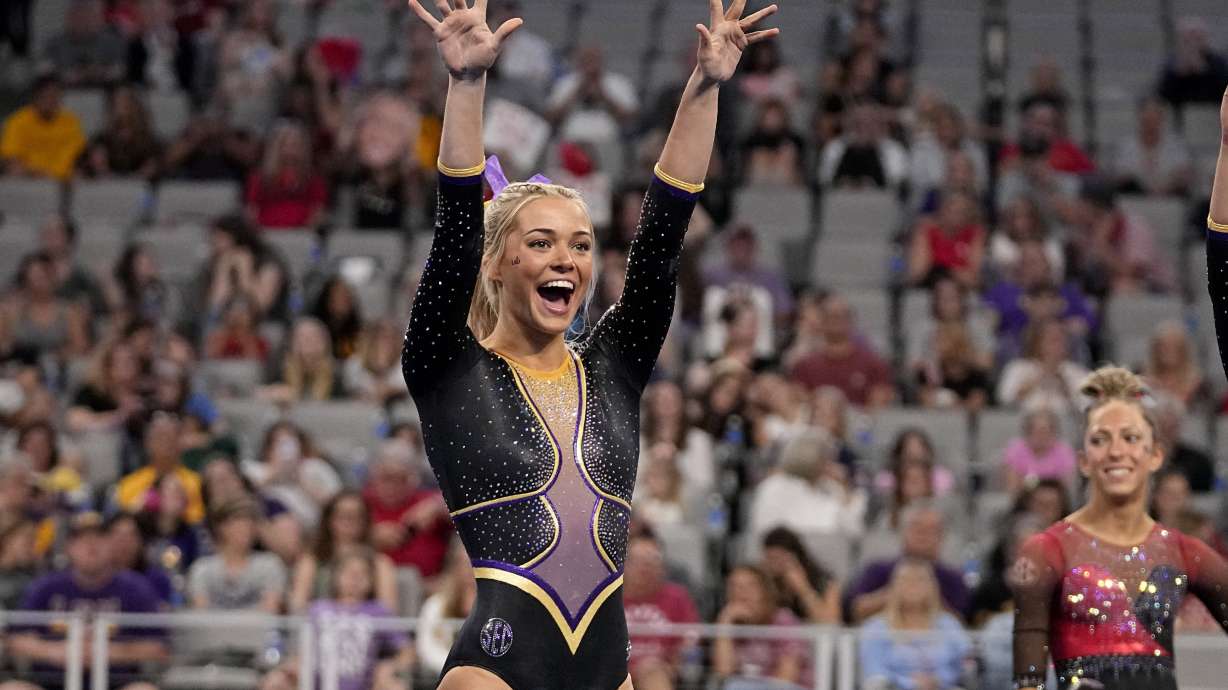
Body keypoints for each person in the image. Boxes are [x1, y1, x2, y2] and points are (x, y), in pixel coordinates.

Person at [399, 2, 779, 688]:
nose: (566, 262)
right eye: (539, 243)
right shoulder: (449, 369)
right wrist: (466, 85)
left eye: (579, 246)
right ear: (496, 263)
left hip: (609, 673)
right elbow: (455, 229)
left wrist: (704, 88)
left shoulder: (612, 371)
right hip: (499, 672)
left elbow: (661, 243)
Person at [1010, 367, 1228, 690]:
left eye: (1131, 438)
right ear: (1084, 460)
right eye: (1100, 439)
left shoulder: (1182, 551)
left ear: (1154, 454)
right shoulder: (1047, 550)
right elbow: (1028, 681)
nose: (1116, 451)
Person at [2, 512, 167, 690]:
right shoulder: (46, 587)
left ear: (111, 544)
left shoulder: (135, 587)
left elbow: (159, 647)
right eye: (81, 539)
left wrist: (106, 653)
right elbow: (15, 640)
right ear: (69, 547)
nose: (90, 545)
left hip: (118, 684)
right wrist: (58, 652)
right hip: (50, 683)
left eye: (99, 538)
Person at [858, 559, 972, 690]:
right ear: (893, 587)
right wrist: (910, 683)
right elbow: (875, 671)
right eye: (906, 580)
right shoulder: (876, 627)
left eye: (920, 580)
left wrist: (940, 679)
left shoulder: (949, 624)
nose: (913, 585)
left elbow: (965, 661)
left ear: (933, 587)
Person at [846, 503, 969, 624]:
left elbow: (963, 624)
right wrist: (895, 593)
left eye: (932, 530)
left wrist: (929, 597)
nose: (924, 535)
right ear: (902, 532)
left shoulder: (953, 578)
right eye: (917, 528)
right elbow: (856, 612)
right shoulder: (877, 570)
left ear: (942, 537)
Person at [288, 490, 398, 614]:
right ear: (329, 519)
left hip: (366, 628)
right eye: (343, 515)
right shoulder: (312, 560)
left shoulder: (379, 562)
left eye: (356, 516)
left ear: (365, 521)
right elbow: (297, 605)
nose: (349, 522)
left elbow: (388, 611)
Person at [621, 530, 701, 690]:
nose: (644, 569)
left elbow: (690, 640)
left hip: (661, 672)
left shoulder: (677, 597)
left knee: (653, 674)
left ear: (663, 567)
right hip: (616, 674)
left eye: (651, 562)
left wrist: (672, 666)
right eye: (637, 562)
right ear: (623, 565)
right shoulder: (610, 597)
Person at [711, 564, 808, 688]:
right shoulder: (733, 623)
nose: (740, 592)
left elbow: (786, 677)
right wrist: (725, 621)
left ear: (764, 591)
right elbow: (724, 671)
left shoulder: (783, 620)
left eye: (749, 586)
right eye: (734, 586)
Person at [187, 498, 285, 612]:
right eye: (238, 520)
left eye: (250, 522)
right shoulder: (202, 569)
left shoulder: (270, 565)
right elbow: (201, 612)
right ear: (222, 527)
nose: (246, 527)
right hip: (214, 630)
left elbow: (270, 610)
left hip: (257, 629)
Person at [0, 74, 86, 181]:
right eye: (46, 96)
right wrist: (40, 176)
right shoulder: (17, 121)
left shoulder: (71, 122)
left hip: (65, 185)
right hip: (29, 183)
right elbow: (11, 161)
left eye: (55, 96)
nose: (50, 101)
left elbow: (80, 158)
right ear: (35, 96)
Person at [760, 526, 842, 624]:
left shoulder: (824, 581)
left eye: (780, 559)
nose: (774, 566)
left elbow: (831, 623)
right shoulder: (763, 582)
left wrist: (803, 589)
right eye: (770, 559)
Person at [1001, 406, 1078, 492]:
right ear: (1027, 432)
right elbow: (1013, 486)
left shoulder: (1064, 450)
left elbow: (1065, 486)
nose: (1042, 437)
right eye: (1037, 432)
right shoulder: (1015, 449)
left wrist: (1031, 482)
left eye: (1046, 431)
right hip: (1023, 499)